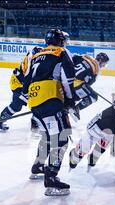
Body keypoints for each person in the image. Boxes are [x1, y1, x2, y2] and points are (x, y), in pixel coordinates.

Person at [22, 29, 76, 196]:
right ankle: (51, 179)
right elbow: (68, 78)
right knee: (61, 138)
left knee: (47, 136)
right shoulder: (61, 51)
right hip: (50, 98)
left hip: (34, 100)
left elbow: (26, 80)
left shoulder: (36, 53)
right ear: (60, 41)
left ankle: (38, 166)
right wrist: (70, 100)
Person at [0, 46, 42, 131]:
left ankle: (35, 121)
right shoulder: (30, 60)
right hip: (19, 85)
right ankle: (0, 121)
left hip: (22, 84)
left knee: (36, 102)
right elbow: (24, 77)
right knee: (18, 105)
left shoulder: (33, 59)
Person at [70, 52, 110, 121]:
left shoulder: (84, 57)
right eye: (104, 63)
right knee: (93, 97)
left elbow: (72, 59)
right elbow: (88, 83)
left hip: (65, 80)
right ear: (100, 61)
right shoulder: (97, 70)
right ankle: (76, 108)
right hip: (75, 85)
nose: (104, 66)